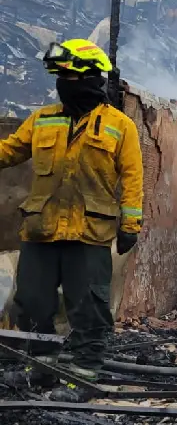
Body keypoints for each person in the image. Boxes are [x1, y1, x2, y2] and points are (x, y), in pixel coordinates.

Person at [0, 39, 143, 402]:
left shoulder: (119, 126)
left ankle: (82, 377)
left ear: (94, 79)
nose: (65, 84)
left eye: (72, 76)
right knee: (31, 302)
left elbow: (132, 178)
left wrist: (131, 225)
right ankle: (41, 368)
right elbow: (10, 150)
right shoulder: (42, 118)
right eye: (60, 77)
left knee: (89, 306)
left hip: (88, 233)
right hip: (41, 229)